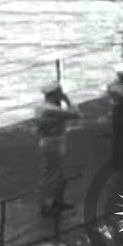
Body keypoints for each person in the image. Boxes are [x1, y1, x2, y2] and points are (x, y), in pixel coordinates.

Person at [35, 81, 80, 216]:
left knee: (59, 174)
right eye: (60, 92)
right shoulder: (52, 109)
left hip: (52, 141)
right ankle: (44, 205)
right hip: (53, 143)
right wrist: (68, 101)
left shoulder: (42, 107)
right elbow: (76, 114)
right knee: (50, 175)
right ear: (55, 94)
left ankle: (57, 201)